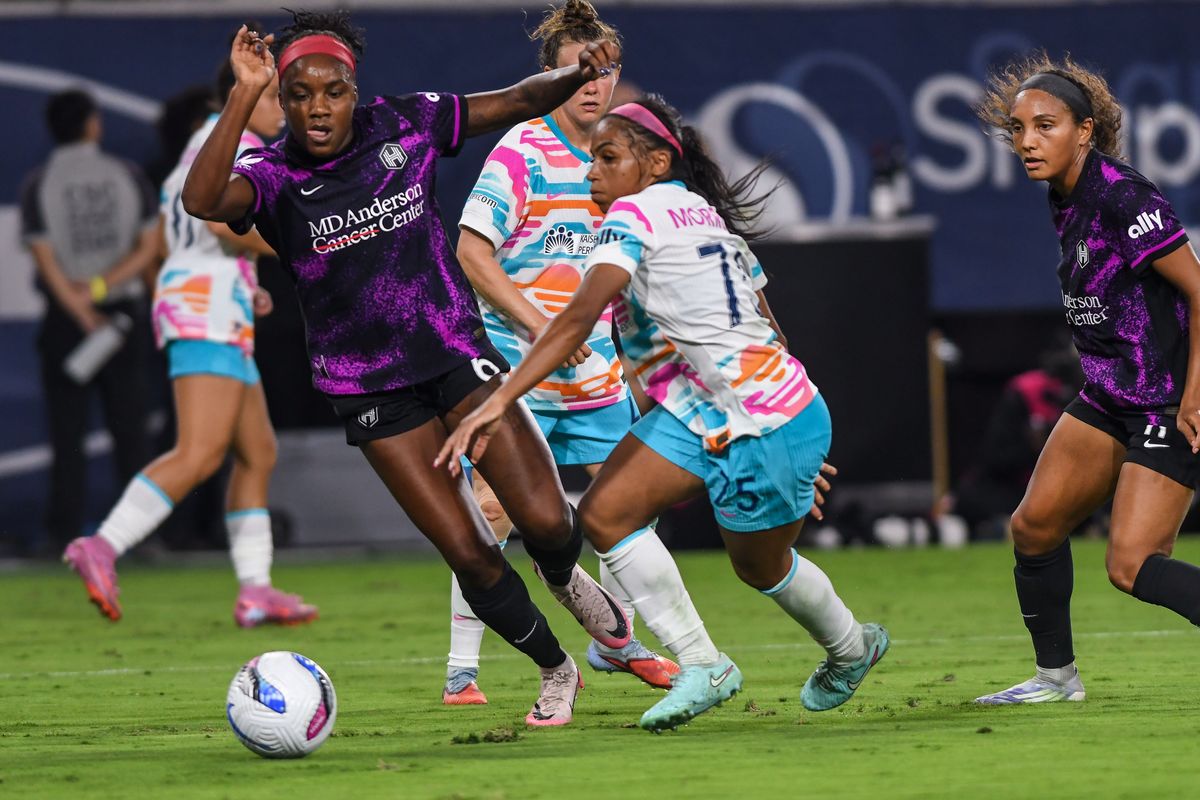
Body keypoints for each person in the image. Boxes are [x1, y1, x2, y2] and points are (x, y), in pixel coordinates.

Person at [180, 11, 629, 726]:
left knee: (545, 519)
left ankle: (561, 573)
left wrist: (574, 75)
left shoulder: (408, 123)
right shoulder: (271, 177)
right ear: (284, 99)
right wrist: (244, 93)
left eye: (333, 91)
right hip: (367, 386)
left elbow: (516, 99)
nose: (318, 107)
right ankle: (555, 668)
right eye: (298, 94)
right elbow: (201, 200)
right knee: (470, 553)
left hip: (454, 352)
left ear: (356, 90)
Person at [437, 94, 888, 732]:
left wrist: (499, 401)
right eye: (591, 157)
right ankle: (703, 664)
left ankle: (851, 646)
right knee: (605, 515)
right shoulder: (700, 212)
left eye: (608, 157)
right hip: (725, 409)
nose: (591, 170)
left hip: (755, 419)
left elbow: (573, 324)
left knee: (758, 566)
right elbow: (769, 328)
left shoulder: (632, 218)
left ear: (652, 164)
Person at [445, 0, 677, 706]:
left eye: (605, 70)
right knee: (490, 512)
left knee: (629, 509)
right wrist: (545, 331)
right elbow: (470, 250)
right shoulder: (521, 151)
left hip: (599, 373)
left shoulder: (622, 159)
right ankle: (462, 668)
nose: (593, 83)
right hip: (522, 372)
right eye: (578, 70)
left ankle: (617, 643)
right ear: (549, 75)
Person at [62, 44, 318, 628]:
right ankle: (101, 545)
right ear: (242, 91)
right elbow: (224, 223)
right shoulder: (239, 147)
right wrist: (310, 249)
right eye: (280, 97)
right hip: (207, 308)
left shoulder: (202, 142)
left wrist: (213, 281)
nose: (288, 111)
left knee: (257, 451)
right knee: (200, 453)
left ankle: (256, 589)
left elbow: (165, 238)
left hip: (206, 300)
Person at [973, 54, 1200, 704]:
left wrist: (1194, 395)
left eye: (1045, 126)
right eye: (1018, 129)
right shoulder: (1064, 195)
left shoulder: (1122, 195)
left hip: (1165, 400)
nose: (1026, 141)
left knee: (1130, 566)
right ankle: (1056, 680)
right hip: (1110, 394)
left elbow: (1198, 288)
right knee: (1034, 526)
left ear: (1086, 130)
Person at [19, 89, 158, 556]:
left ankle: (63, 535)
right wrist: (101, 291)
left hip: (67, 323)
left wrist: (80, 310)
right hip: (122, 316)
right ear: (93, 124)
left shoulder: (40, 183)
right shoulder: (127, 176)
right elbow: (147, 248)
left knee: (67, 435)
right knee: (131, 432)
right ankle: (140, 537)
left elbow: (45, 259)